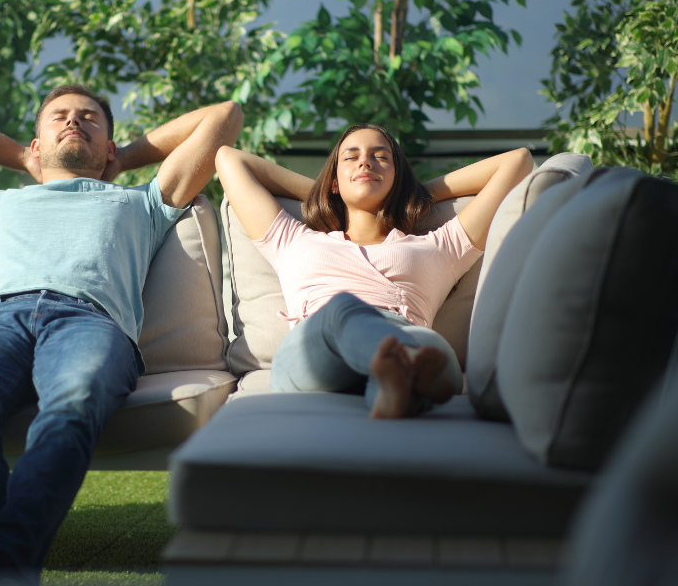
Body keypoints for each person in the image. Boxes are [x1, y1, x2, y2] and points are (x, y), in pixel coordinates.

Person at [0, 84, 242, 584]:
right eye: (58, 116)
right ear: (37, 143)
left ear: (108, 145)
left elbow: (225, 115)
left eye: (89, 118)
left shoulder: (142, 202)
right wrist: (22, 156)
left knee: (75, 402)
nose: (73, 121)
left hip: (88, 321)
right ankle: (0, 570)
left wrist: (122, 158)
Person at [215, 123, 533, 418]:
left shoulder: (438, 246)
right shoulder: (293, 239)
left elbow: (517, 162)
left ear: (398, 178)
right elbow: (229, 159)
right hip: (318, 344)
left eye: (380, 157)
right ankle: (398, 369)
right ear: (334, 181)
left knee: (425, 348)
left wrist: (415, 195)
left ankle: (391, 390)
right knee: (343, 309)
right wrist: (324, 194)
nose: (365, 163)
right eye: (351, 158)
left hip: (406, 331)